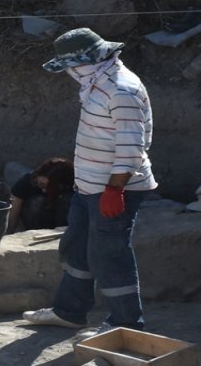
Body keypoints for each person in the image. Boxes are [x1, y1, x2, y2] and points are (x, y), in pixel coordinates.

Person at [23, 28, 157, 336]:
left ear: (86, 61)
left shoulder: (121, 91)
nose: (69, 72)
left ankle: (126, 324)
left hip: (114, 189)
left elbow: (131, 148)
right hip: (90, 187)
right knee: (77, 247)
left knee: (109, 254)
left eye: (71, 65)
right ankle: (69, 311)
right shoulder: (97, 83)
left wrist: (114, 189)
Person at [8, 158, 75, 233]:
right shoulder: (27, 182)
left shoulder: (74, 185)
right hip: (39, 222)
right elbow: (12, 214)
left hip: (61, 222)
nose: (44, 191)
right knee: (36, 202)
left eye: (49, 188)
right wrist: (7, 234)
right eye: (41, 185)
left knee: (67, 200)